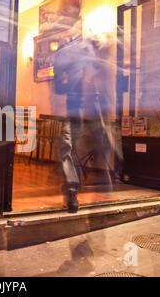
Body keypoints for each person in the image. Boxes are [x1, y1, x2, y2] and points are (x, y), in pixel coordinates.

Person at [53, 31, 97, 213]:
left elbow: (58, 86)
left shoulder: (64, 53)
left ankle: (72, 190)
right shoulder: (86, 50)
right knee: (70, 148)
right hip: (81, 108)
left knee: (68, 149)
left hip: (74, 108)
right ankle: (72, 191)